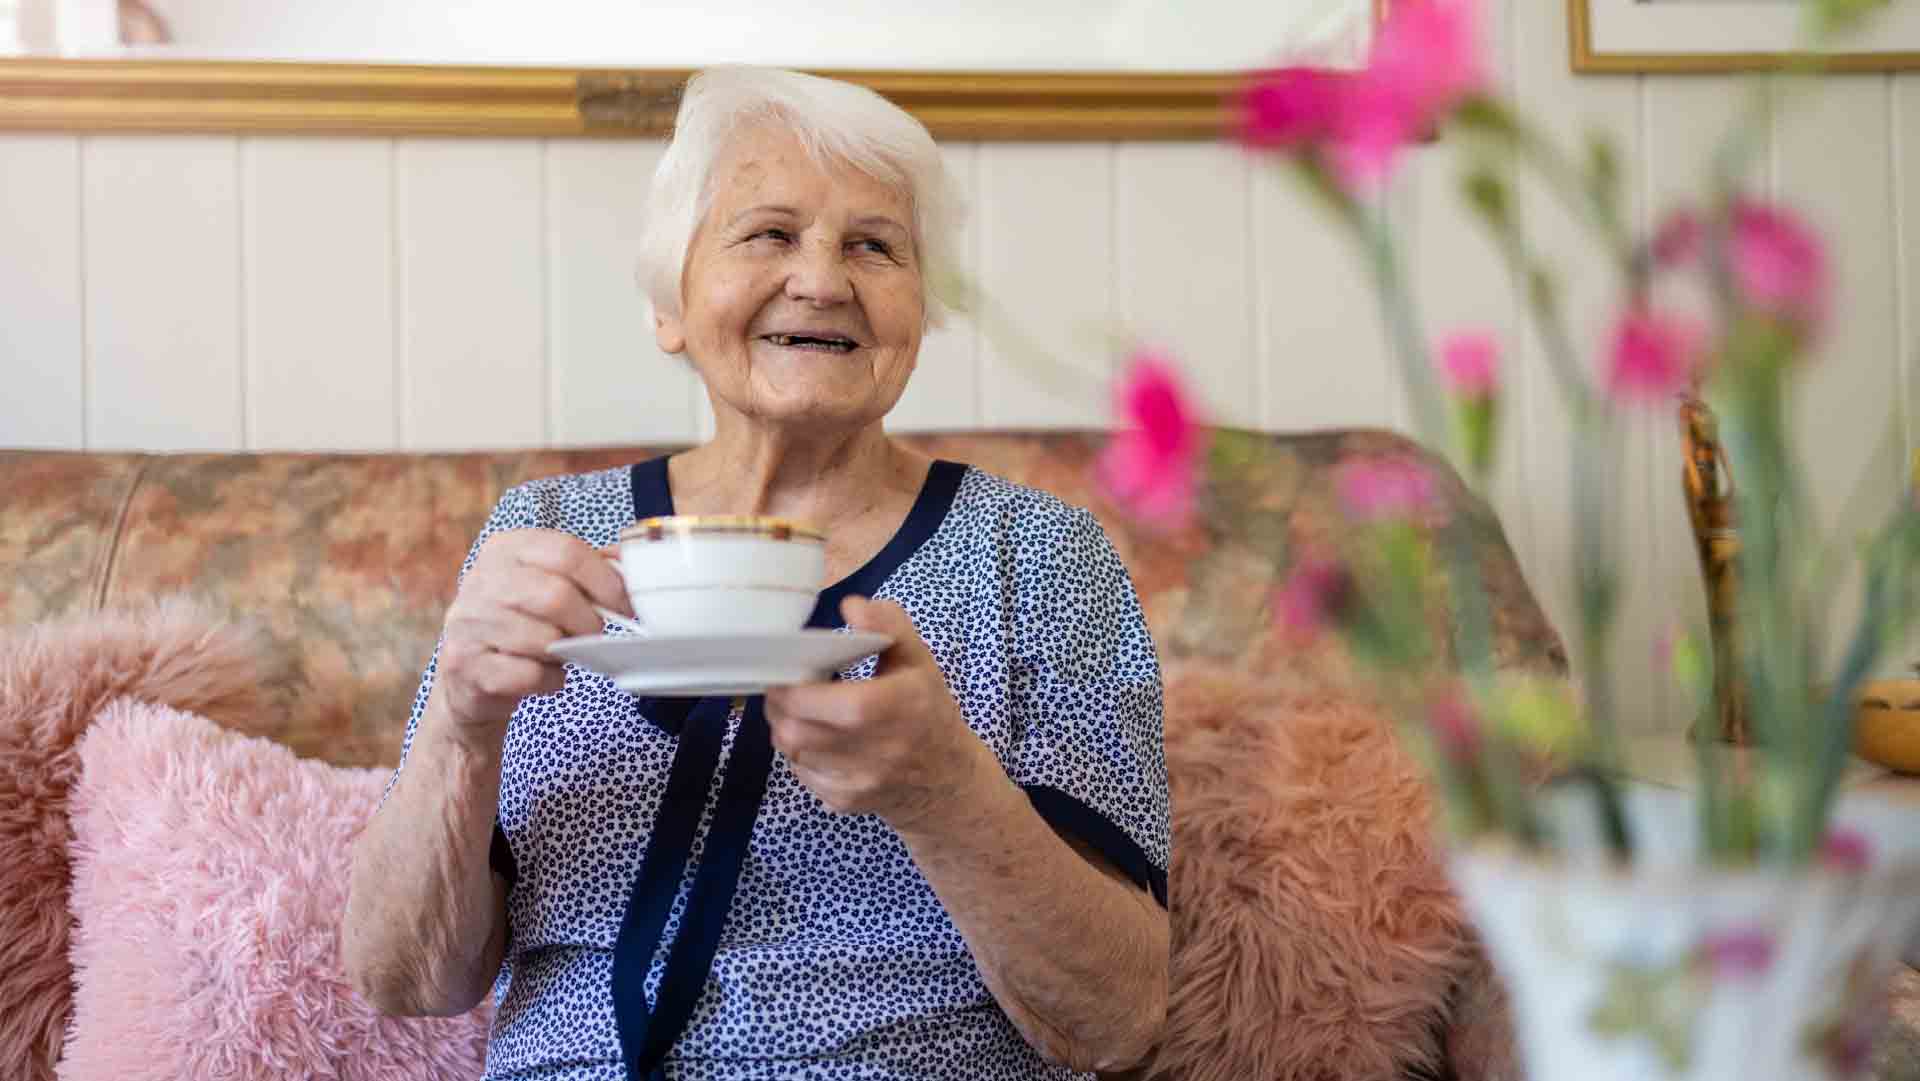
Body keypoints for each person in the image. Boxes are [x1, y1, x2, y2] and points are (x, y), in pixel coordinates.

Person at [342, 65, 1169, 1081]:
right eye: (769, 233)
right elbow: (405, 980)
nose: (822, 279)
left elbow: (1120, 1020)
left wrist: (948, 793)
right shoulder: (545, 533)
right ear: (670, 307)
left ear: (919, 314)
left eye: (875, 245)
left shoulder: (1039, 558)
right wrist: (459, 731)